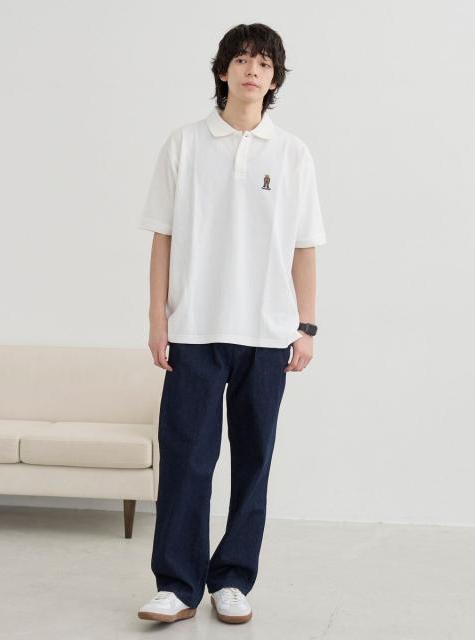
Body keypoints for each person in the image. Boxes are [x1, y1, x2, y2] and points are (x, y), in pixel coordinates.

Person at [136, 22, 326, 624]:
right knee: (186, 459)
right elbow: (162, 237)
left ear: (274, 80)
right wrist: (158, 318)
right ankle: (177, 585)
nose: (252, 70)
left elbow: (304, 247)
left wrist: (306, 327)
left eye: (264, 64)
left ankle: (233, 579)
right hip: (194, 328)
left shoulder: (291, 154)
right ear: (223, 70)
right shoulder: (185, 144)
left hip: (267, 334)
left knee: (253, 461)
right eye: (242, 60)